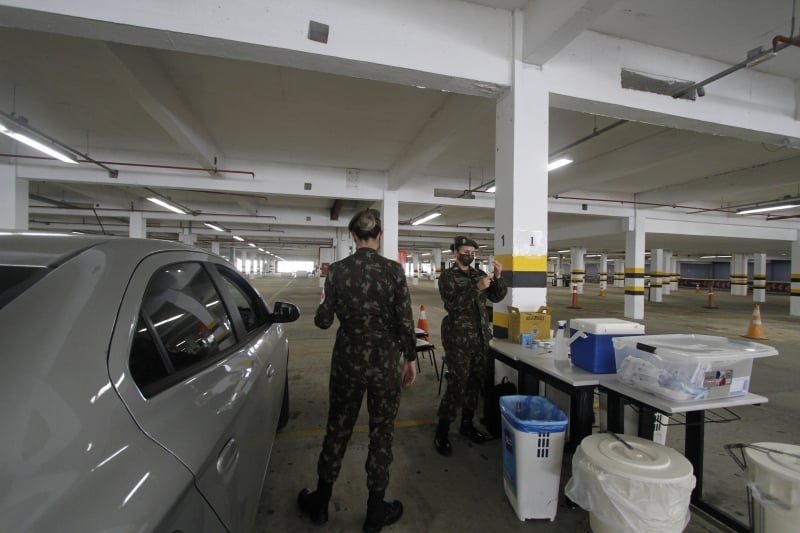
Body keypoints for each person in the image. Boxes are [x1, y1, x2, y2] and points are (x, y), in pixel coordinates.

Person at [298, 208, 418, 533]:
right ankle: (375, 512)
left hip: (347, 362)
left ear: (352, 236)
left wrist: (325, 302)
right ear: (380, 236)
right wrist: (410, 358)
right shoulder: (394, 271)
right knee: (382, 433)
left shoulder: (337, 271)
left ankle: (321, 503)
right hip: (384, 363)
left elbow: (323, 321)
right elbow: (405, 320)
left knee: (337, 429)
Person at [434, 235, 507, 456]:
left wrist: (498, 277)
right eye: (465, 252)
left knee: (475, 383)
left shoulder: (479, 274)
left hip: (480, 337)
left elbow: (497, 296)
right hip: (458, 339)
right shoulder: (447, 277)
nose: (469, 255)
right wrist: (476, 287)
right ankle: (442, 431)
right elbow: (453, 305)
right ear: (455, 252)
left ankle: (467, 424)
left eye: (472, 253)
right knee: (457, 384)